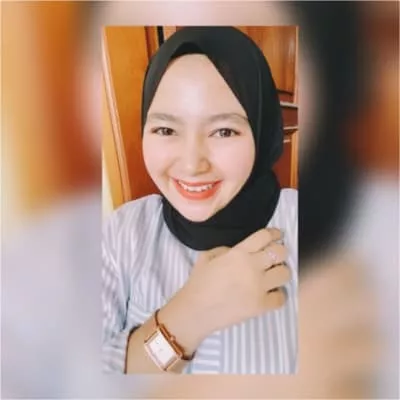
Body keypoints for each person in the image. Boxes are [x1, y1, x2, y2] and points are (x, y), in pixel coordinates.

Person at [102, 26, 298, 374]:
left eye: (224, 131)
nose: (192, 164)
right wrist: (187, 317)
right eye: (166, 130)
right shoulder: (121, 236)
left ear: (261, 129)